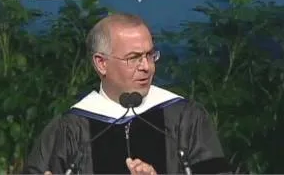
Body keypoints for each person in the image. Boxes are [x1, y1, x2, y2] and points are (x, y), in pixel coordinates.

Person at [22, 13, 231, 174]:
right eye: (134, 58)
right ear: (101, 63)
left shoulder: (185, 118)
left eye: (150, 55)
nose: (147, 67)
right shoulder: (70, 129)